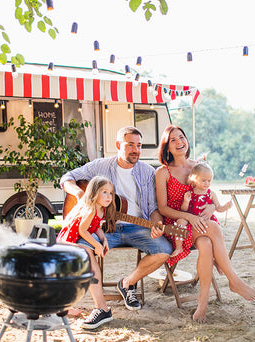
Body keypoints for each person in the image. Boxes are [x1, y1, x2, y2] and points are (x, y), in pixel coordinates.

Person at [60, 126, 172, 330]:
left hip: (137, 227)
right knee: (82, 247)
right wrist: (79, 194)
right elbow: (67, 177)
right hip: (106, 229)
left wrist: (156, 222)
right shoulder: (101, 166)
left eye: (138, 145)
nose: (136, 150)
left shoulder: (148, 171)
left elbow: (154, 208)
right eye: (130, 145)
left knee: (164, 249)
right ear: (118, 145)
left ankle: (127, 283)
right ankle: (101, 308)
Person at [155, 124, 255, 323]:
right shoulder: (163, 172)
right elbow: (162, 208)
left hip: (199, 223)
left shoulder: (197, 166)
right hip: (177, 225)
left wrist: (213, 208)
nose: (179, 142)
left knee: (206, 244)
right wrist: (190, 217)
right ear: (166, 147)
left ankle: (202, 303)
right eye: (173, 140)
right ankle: (234, 280)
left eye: (181, 137)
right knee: (213, 228)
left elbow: (208, 194)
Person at [168, 161, 233, 262]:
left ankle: (219, 260)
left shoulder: (211, 194)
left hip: (205, 221)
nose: (207, 183)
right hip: (191, 219)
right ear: (195, 179)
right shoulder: (190, 193)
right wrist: (186, 201)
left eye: (209, 180)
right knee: (180, 221)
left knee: (218, 234)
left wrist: (226, 206)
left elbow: (218, 208)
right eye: (204, 180)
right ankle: (179, 246)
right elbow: (183, 210)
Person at [57, 176, 116, 260]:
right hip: (69, 241)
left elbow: (96, 227)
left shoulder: (102, 210)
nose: (109, 197)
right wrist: (97, 245)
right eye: (105, 192)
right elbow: (82, 230)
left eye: (111, 193)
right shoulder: (91, 209)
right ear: (94, 192)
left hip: (78, 240)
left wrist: (104, 239)